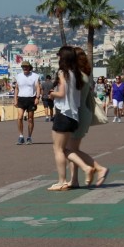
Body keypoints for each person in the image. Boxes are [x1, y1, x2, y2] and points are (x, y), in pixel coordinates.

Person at [47, 46, 106, 191]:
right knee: (65, 149)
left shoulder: (63, 73)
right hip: (73, 115)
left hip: (64, 113)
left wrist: (52, 94)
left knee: (58, 149)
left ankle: (64, 180)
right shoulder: (77, 75)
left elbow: (61, 94)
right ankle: (85, 170)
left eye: (59, 56)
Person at [14, 62, 41, 144]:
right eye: (23, 67)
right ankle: (21, 136)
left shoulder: (35, 76)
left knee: (30, 118)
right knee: (19, 117)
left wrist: (37, 97)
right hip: (21, 98)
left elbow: (38, 87)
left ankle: (29, 137)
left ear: (29, 67)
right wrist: (15, 99)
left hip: (31, 99)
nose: (25, 68)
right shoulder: (18, 76)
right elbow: (16, 88)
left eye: (26, 67)